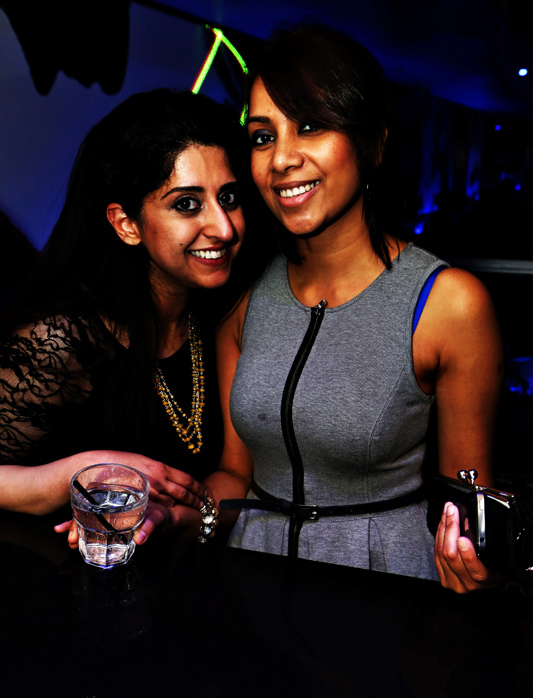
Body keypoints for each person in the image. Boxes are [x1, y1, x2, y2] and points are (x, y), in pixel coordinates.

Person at [200, 25, 503, 586]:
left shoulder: (447, 302)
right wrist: (175, 517)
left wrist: (473, 563)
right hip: (250, 586)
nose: (281, 158)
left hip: (378, 592)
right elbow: (234, 474)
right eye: (263, 136)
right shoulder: (244, 295)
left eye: (310, 126)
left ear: (373, 143)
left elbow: (469, 508)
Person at [0, 88, 247, 543]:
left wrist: (173, 519)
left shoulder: (223, 314)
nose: (225, 227)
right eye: (187, 204)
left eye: (229, 197)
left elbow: (235, 480)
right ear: (126, 224)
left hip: (186, 581)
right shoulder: (62, 341)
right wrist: (79, 471)